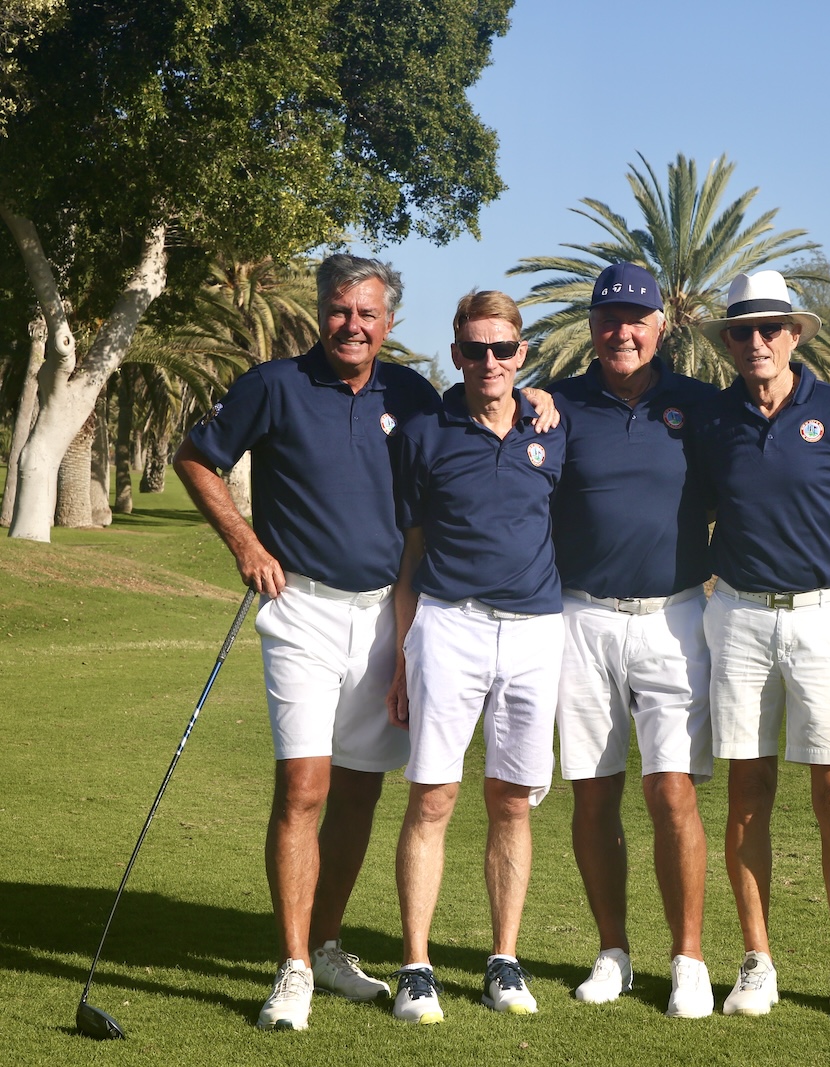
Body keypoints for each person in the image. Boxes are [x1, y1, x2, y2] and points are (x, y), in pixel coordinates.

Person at [175, 256, 554, 1032]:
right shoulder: (274, 385)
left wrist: (538, 396)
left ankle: (326, 945)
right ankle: (292, 967)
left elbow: (486, 403)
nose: (353, 324)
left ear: (390, 322)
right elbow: (196, 457)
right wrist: (246, 543)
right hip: (301, 609)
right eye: (340, 309)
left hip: (385, 615)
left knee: (360, 789)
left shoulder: (409, 393)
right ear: (321, 311)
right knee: (304, 786)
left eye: (368, 313)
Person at [548, 263, 830, 1017]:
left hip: (677, 617)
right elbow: (493, 410)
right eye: (609, 319)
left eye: (636, 319)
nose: (622, 332)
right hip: (588, 617)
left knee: (676, 790)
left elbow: (822, 457)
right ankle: (615, 952)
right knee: (597, 791)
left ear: (661, 328)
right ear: (593, 327)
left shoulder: (698, 403)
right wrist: (528, 395)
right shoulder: (563, 403)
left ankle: (693, 960)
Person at [695, 269, 830, 1025]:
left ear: (793, 335)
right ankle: (757, 960)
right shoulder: (710, 418)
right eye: (742, 331)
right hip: (740, 617)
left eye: (770, 329)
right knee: (748, 795)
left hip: (827, 618)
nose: (757, 341)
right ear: (728, 343)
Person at [387, 290, 565, 1024]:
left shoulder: (552, 426)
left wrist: (544, 399)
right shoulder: (424, 432)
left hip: (535, 631)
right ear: (457, 353)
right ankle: (416, 966)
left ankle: (503, 959)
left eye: (503, 348)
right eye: (475, 349)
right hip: (448, 624)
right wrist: (403, 656)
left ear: (522, 353)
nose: (489, 361)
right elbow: (410, 552)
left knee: (512, 800)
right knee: (432, 796)